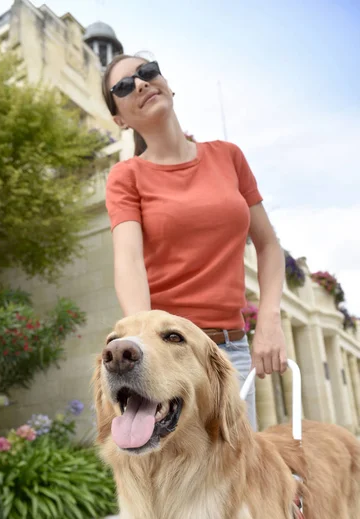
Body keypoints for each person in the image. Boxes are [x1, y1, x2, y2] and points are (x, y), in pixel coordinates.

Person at [102, 54, 287, 431]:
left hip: (229, 351)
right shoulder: (126, 176)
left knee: (237, 482)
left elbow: (268, 245)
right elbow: (129, 262)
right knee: (168, 482)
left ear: (166, 82)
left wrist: (268, 318)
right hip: (167, 353)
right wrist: (144, 345)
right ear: (119, 119)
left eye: (147, 72)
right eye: (123, 86)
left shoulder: (228, 157)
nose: (139, 83)